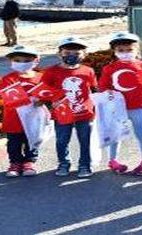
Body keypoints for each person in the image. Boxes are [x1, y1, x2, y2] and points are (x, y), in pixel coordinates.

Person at [98, 31, 142, 176]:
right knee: (115, 135)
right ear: (114, 51)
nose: (125, 53)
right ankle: (113, 160)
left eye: (129, 50)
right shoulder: (110, 68)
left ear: (137, 49)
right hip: (118, 109)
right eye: (121, 50)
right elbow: (103, 87)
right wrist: (108, 96)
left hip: (140, 106)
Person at [42, 36, 97, 178]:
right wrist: (50, 103)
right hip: (62, 113)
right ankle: (63, 163)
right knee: (62, 140)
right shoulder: (51, 71)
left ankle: (85, 164)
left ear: (84, 54)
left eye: (77, 53)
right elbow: (44, 91)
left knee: (85, 140)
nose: (71, 56)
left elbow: (94, 90)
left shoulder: (88, 71)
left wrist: (96, 108)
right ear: (59, 53)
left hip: (84, 112)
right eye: (67, 52)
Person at [0, 45, 42, 178]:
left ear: (36, 60)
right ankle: (15, 163)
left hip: (33, 118)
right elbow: (5, 96)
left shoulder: (41, 77)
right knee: (14, 142)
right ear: (11, 61)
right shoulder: (8, 79)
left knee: (32, 140)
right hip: (13, 118)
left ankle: (29, 162)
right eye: (17, 60)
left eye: (26, 60)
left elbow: (46, 95)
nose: (22, 63)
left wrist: (42, 100)